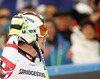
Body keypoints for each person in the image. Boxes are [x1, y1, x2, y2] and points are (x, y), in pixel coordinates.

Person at [0, 12, 48, 79]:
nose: (46, 36)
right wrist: (14, 35)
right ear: (29, 34)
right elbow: (3, 72)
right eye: (43, 31)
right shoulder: (12, 61)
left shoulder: (39, 63)